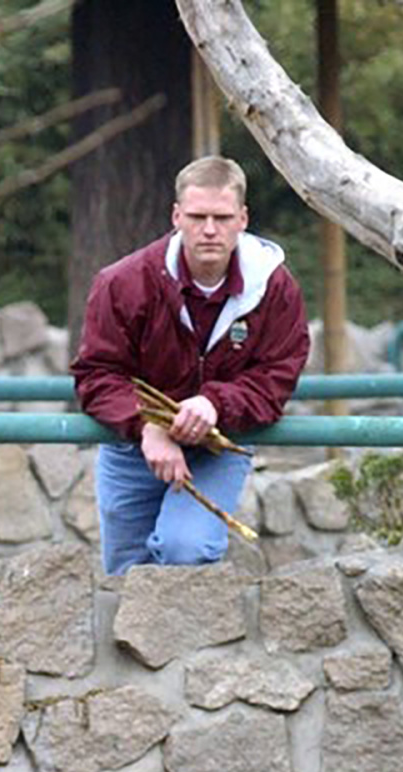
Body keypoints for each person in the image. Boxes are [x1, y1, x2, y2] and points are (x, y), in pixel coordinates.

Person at [71, 155, 310, 575]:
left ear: (243, 218)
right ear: (177, 216)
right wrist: (148, 425)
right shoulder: (125, 282)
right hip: (133, 446)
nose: (210, 230)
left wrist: (214, 404)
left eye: (222, 216)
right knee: (126, 576)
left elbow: (277, 374)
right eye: (198, 216)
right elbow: (96, 373)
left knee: (189, 550)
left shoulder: (273, 287)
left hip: (219, 442)